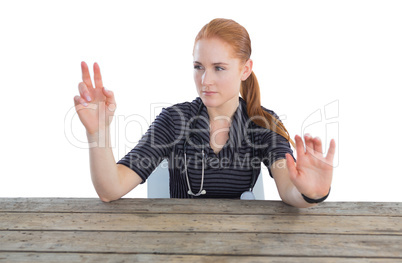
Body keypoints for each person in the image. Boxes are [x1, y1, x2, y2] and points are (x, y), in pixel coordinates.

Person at [73, 18, 336, 208]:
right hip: (180, 247)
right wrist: (99, 132)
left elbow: (288, 189)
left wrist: (310, 194)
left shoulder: (262, 124)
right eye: (198, 66)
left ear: (245, 69)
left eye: (219, 68)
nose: (205, 80)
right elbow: (111, 188)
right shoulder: (174, 120)